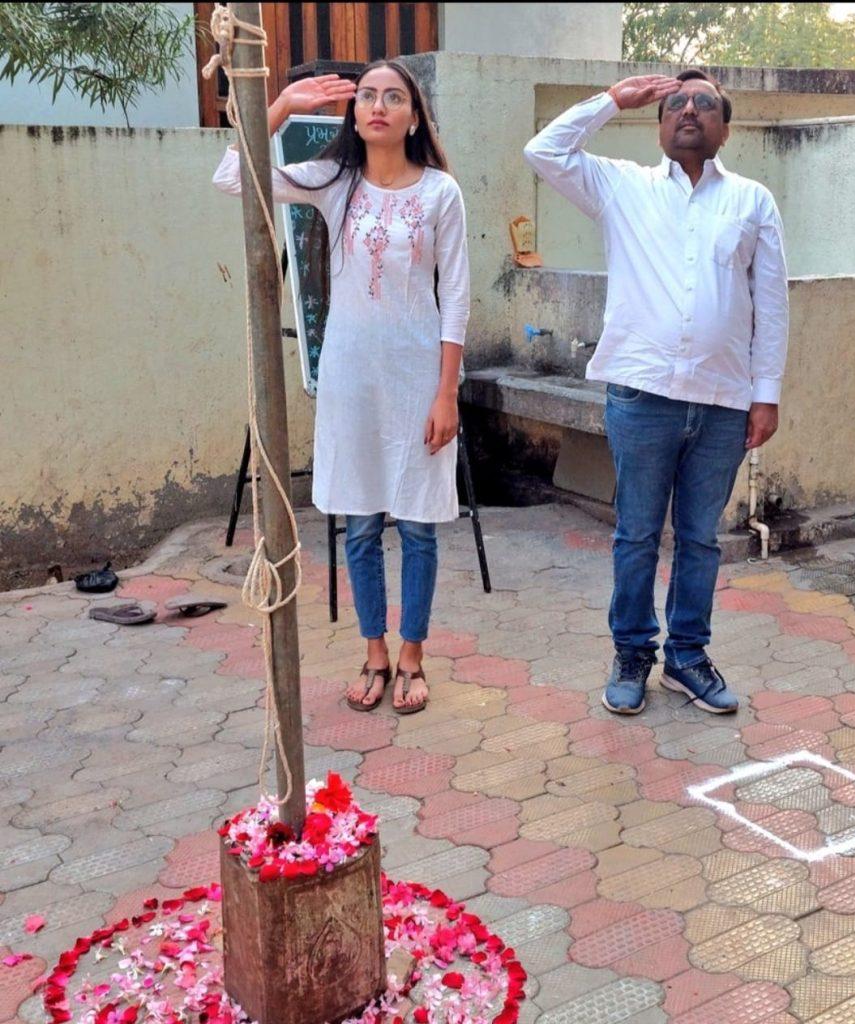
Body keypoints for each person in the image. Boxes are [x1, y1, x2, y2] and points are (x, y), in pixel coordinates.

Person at [524, 70, 788, 716]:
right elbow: (544, 152)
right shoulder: (622, 187)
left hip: (724, 404)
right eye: (675, 103)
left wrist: (766, 394)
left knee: (699, 539)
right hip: (641, 397)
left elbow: (770, 305)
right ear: (658, 124)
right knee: (637, 534)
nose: (688, 110)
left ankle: (687, 659)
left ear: (725, 127)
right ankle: (631, 655)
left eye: (704, 103)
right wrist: (613, 100)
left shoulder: (752, 202)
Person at [213, 61, 470, 715]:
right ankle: (375, 653)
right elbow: (230, 180)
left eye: (393, 96)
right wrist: (278, 106)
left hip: (417, 378)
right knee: (358, 526)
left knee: (415, 525)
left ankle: (413, 656)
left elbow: (457, 299)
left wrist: (447, 393)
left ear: (414, 116)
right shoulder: (335, 183)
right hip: (351, 378)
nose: (377, 106)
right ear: (353, 116)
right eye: (366, 97)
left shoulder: (441, 193)